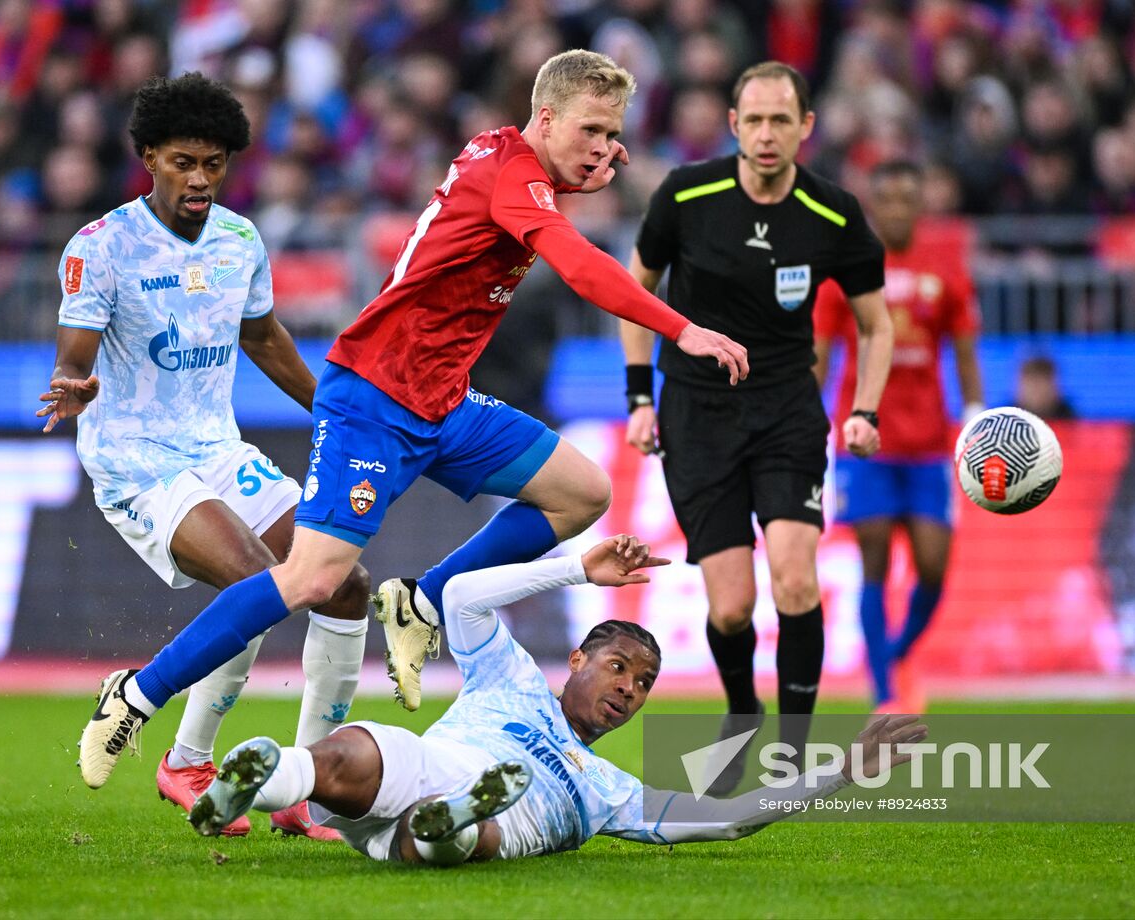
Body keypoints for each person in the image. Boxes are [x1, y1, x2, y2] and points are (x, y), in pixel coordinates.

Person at [78, 50, 750, 788]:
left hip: (444, 399)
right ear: (547, 116)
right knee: (310, 580)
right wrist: (679, 329)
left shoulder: (513, 161)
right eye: (591, 128)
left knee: (582, 492)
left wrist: (573, 171)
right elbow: (578, 264)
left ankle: (422, 602)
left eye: (612, 132)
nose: (602, 145)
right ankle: (135, 697)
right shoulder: (513, 173)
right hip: (374, 398)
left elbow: (539, 195)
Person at [42, 73, 372, 840]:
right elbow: (75, 353)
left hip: (218, 448)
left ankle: (308, 784)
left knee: (346, 585)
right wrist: (73, 385)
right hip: (136, 458)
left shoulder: (239, 240)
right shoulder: (101, 247)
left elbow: (262, 338)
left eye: (214, 164)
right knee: (262, 581)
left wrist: (340, 411)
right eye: (184, 162)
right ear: (149, 156)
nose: (199, 178)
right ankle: (187, 760)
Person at [185, 535, 928, 864]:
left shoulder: (612, 791)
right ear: (577, 659)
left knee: (469, 837)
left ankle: (454, 817)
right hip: (437, 762)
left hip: (487, 824)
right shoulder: (508, 676)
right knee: (356, 754)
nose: (628, 690)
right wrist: (578, 570)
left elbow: (728, 820)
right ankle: (255, 781)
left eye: (642, 685)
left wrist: (844, 772)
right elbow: (462, 596)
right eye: (617, 667)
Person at [620, 61, 892, 796]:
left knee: (797, 580)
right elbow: (633, 292)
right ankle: (742, 710)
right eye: (756, 120)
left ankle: (793, 750)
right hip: (697, 414)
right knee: (732, 605)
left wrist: (865, 410)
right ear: (733, 124)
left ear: (806, 127)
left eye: (783, 120)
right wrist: (639, 400)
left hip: (785, 410)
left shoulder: (835, 213)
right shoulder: (687, 195)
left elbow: (877, 323)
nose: (768, 134)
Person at [814, 159, 984, 713]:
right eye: (886, 199)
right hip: (867, 439)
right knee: (875, 558)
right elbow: (821, 355)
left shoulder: (946, 266)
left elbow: (962, 348)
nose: (896, 209)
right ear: (873, 205)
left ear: (920, 203)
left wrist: (977, 413)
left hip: (930, 440)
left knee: (935, 566)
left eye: (907, 198)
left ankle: (894, 652)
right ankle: (885, 690)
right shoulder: (846, 266)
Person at [1014, 354, 1076, 421]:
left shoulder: (1072, 420)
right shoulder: (1006, 416)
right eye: (1031, 381)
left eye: (1041, 382)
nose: (1036, 389)